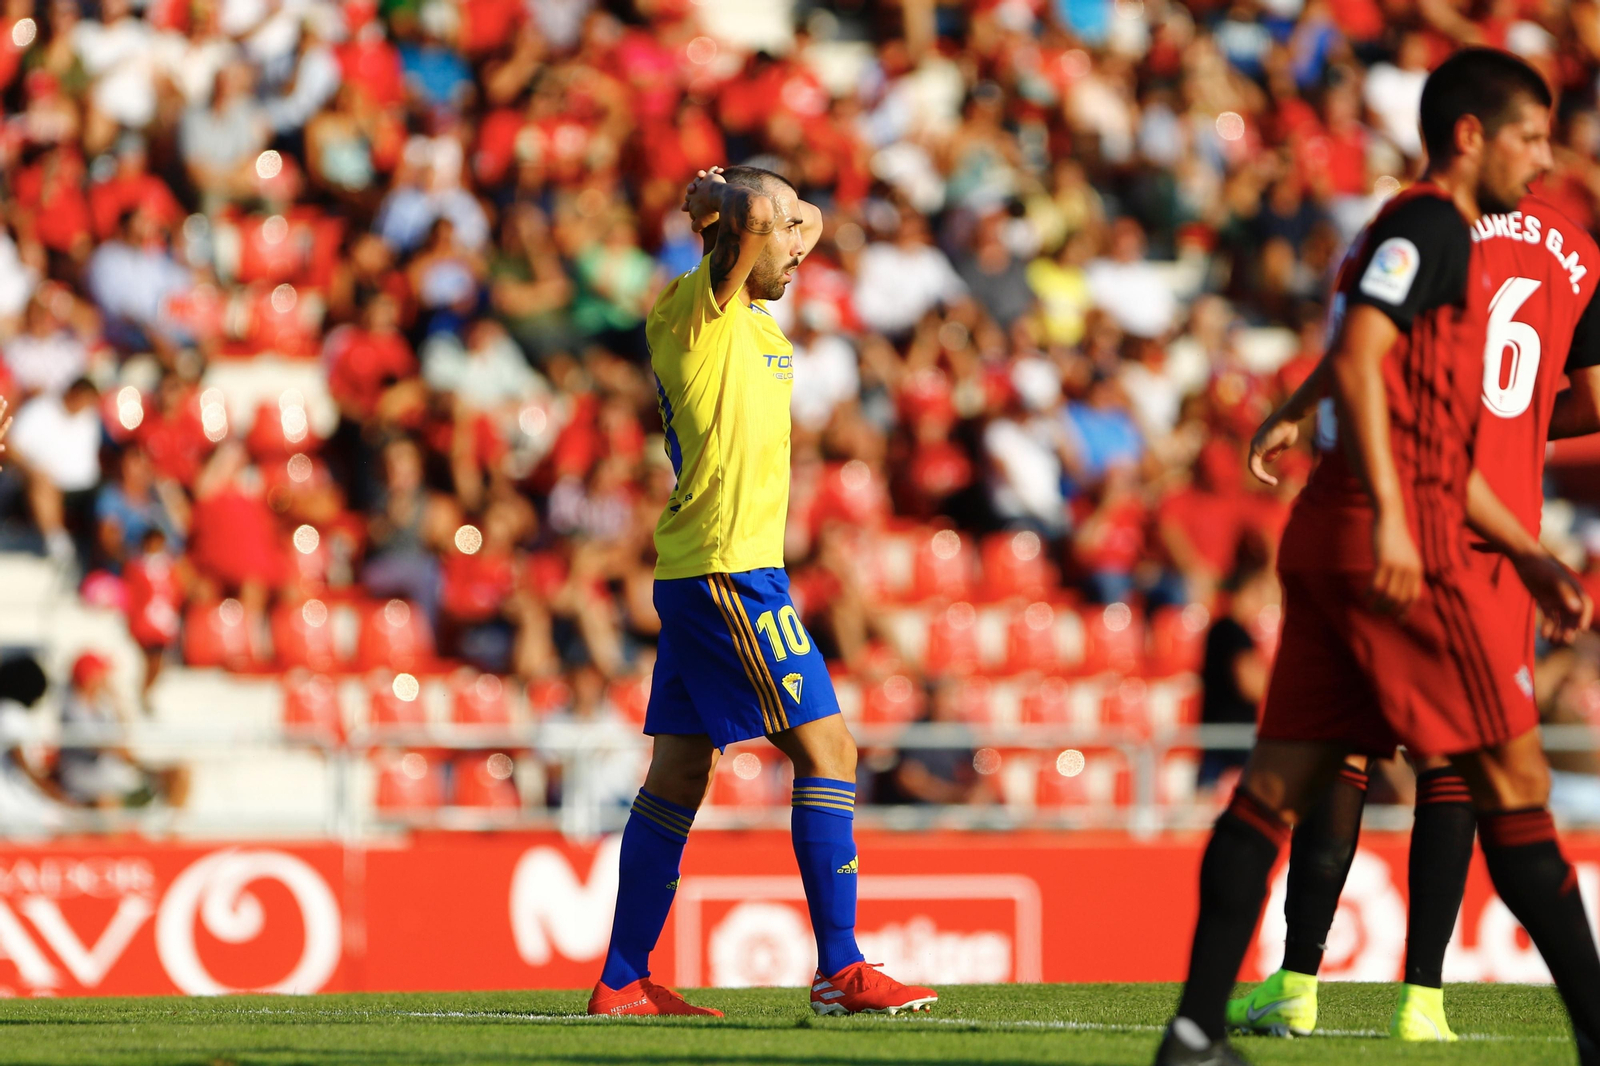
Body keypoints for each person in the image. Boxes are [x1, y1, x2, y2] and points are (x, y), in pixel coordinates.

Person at [1155, 50, 1600, 1066]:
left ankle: (1192, 1031)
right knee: (1509, 783)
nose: (1545, 163)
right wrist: (1405, 518)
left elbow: (1385, 378)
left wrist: (1296, 406)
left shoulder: (1401, 227)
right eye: (1529, 139)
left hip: (1332, 535)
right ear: (1470, 136)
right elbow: (1372, 372)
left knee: (1272, 789)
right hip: (1398, 543)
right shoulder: (1435, 226)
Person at [588, 165, 937, 1019]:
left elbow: (794, 215)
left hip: (709, 570)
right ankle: (840, 967)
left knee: (678, 773)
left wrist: (773, 210)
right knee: (831, 751)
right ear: (737, 238)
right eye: (782, 240)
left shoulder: (750, 316)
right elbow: (755, 213)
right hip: (729, 572)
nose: (800, 253)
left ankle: (623, 978)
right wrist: (726, 200)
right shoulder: (695, 311)